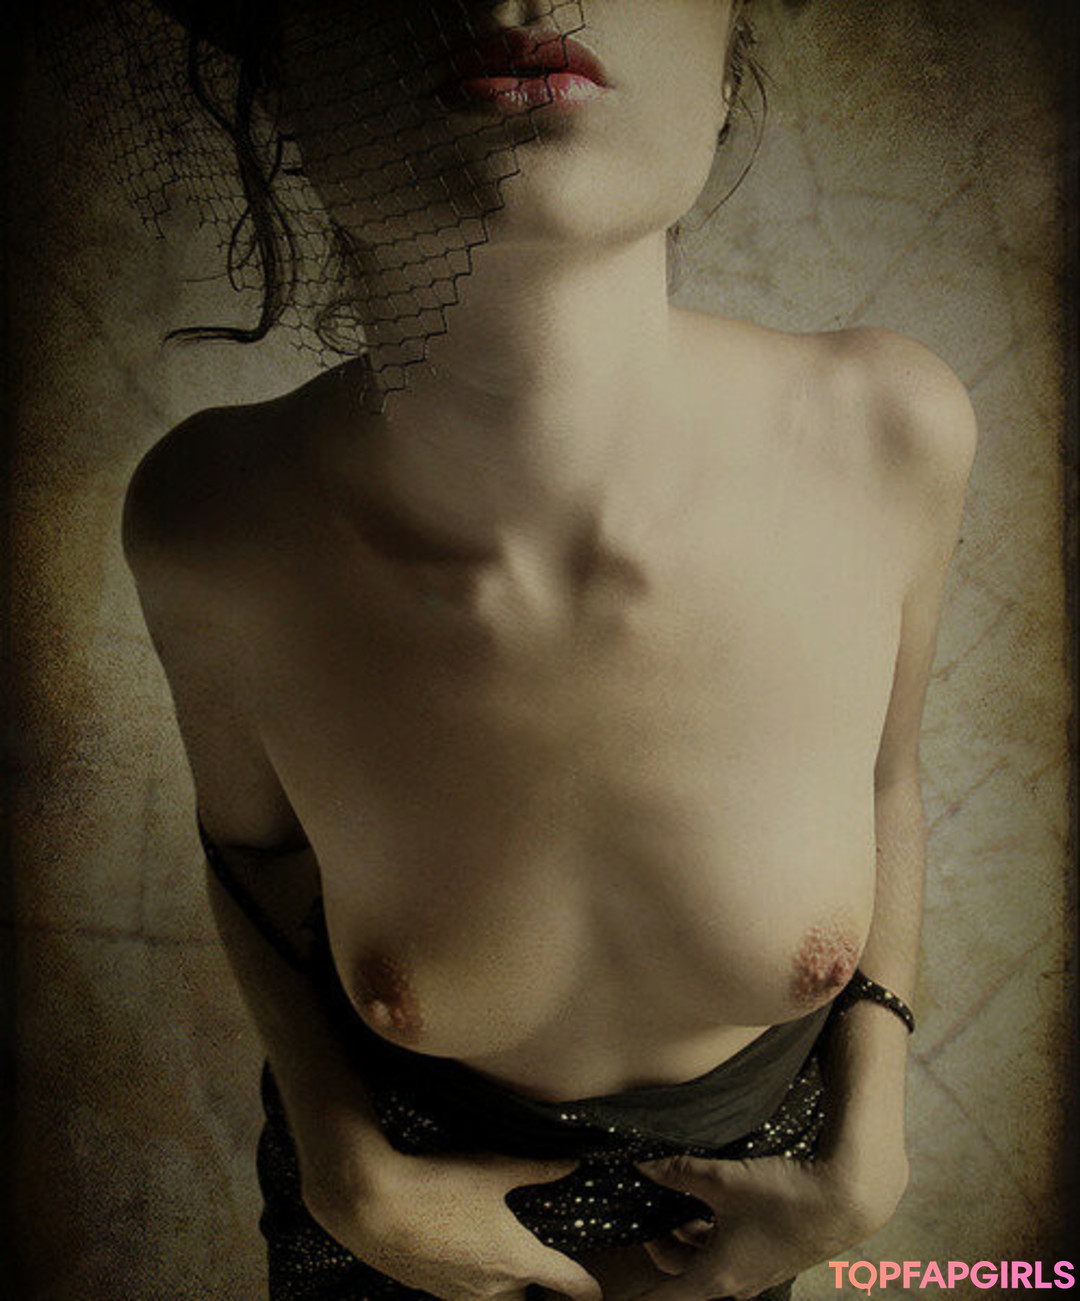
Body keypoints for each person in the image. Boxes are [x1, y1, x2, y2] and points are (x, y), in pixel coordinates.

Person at [118, 1, 977, 1298]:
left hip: (756, 1224)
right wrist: (350, 1176)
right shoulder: (212, 525)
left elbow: (885, 777)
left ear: (730, 52)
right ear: (284, 83)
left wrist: (868, 1147)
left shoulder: (891, 438)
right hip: (390, 1235)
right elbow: (250, 854)